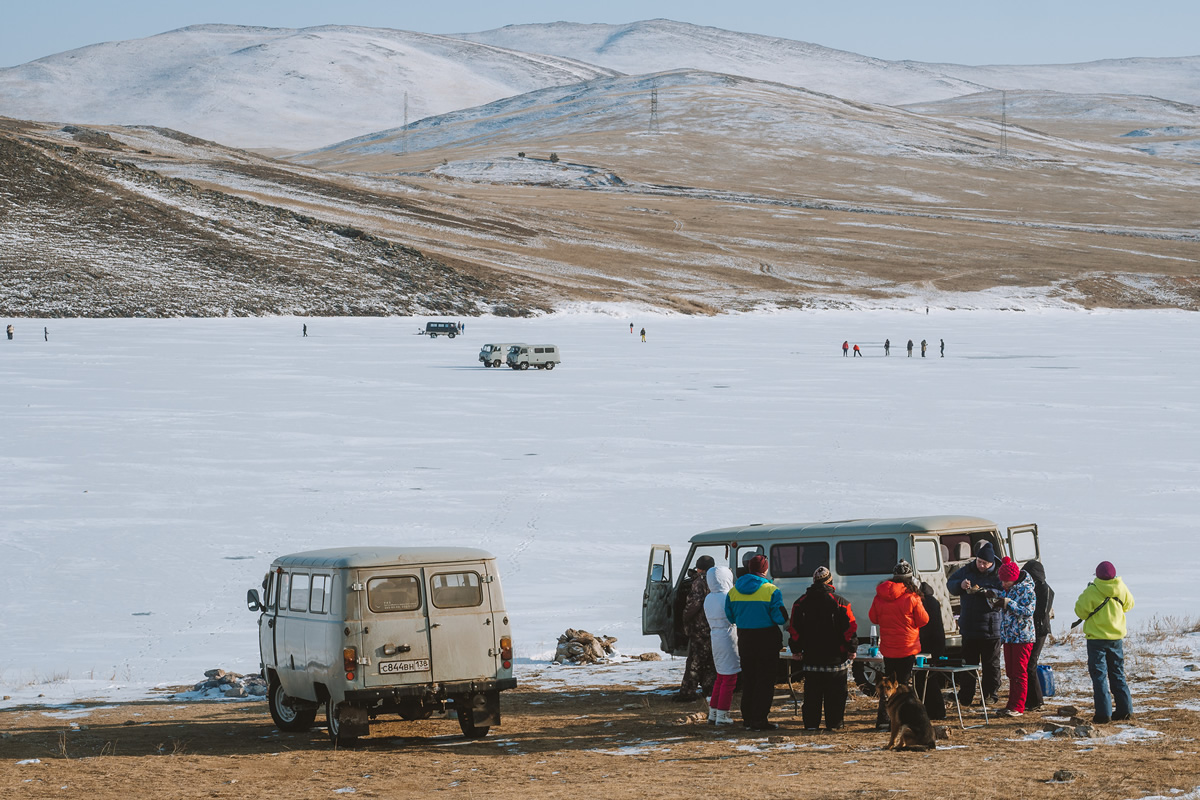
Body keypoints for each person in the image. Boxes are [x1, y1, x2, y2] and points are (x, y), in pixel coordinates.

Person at [788, 566, 858, 731]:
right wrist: (851, 648)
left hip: (811, 658)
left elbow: (794, 630)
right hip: (836, 659)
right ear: (830, 582)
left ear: (814, 582)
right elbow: (850, 629)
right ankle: (834, 724)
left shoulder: (800, 603)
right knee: (836, 695)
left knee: (812, 695)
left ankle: (811, 724)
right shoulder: (842, 603)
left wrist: (796, 650)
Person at [725, 554, 787, 731]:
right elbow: (779, 618)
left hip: (745, 639)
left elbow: (730, 616)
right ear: (765, 570)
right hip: (767, 639)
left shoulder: (734, 591)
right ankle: (759, 719)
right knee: (765, 681)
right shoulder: (771, 590)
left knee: (749, 679)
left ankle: (747, 718)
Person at [869, 561, 929, 730]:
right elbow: (924, 620)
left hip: (888, 648)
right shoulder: (912, 597)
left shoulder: (879, 596)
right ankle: (904, 719)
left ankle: (883, 719)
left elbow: (873, 618)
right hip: (907, 647)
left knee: (886, 686)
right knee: (903, 685)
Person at [1074, 560, 1135, 724]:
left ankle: (1103, 714)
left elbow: (1080, 611)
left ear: (1097, 575)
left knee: (1099, 676)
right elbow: (1129, 605)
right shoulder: (1121, 587)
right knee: (1118, 674)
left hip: (1096, 641)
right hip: (1116, 639)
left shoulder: (1092, 590)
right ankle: (1125, 710)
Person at [947, 541, 1003, 706]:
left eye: (984, 563)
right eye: (979, 562)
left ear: (991, 563)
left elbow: (1005, 592)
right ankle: (965, 695)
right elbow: (951, 584)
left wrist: (986, 592)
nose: (981, 565)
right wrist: (960, 585)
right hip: (970, 628)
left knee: (991, 665)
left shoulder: (999, 574)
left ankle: (990, 695)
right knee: (967, 665)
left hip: (991, 629)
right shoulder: (968, 569)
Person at [995, 557, 1036, 716]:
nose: (1003, 584)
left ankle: (1018, 706)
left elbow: (1028, 611)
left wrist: (1008, 603)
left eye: (1006, 581)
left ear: (1013, 579)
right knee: (1011, 672)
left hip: (1023, 637)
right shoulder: (1010, 589)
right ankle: (1011, 704)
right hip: (1010, 636)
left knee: (1019, 672)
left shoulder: (1026, 589)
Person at [673, 555, 717, 701]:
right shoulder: (717, 580)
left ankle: (688, 692)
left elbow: (694, 604)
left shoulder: (699, 582)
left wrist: (685, 618)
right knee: (711, 660)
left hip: (700, 628)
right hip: (714, 626)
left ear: (699, 568)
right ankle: (710, 689)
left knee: (695, 661)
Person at [704, 566, 740, 725]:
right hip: (728, 637)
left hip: (715, 637)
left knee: (721, 677)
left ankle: (713, 712)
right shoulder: (729, 596)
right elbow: (734, 617)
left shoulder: (709, 598)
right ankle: (723, 715)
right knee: (730, 678)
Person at [1022, 560, 1054, 711]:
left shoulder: (1044, 589)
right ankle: (1031, 699)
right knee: (1028, 664)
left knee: (1030, 664)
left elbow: (1041, 612)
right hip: (1032, 629)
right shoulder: (1032, 587)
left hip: (1039, 631)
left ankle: (1036, 700)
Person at [914, 582, 947, 720]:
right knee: (927, 678)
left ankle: (934, 711)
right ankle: (934, 711)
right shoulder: (932, 601)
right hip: (934, 644)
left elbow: (925, 623)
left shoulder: (923, 602)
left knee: (925, 679)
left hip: (926, 645)